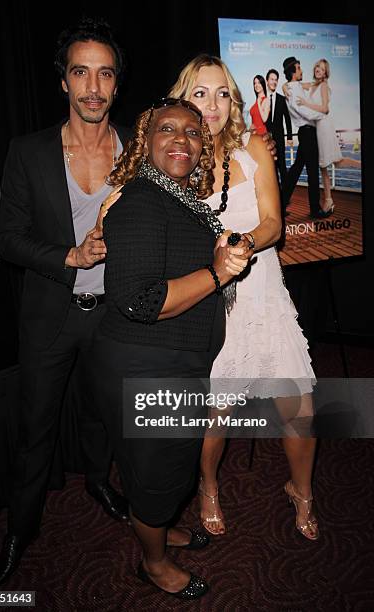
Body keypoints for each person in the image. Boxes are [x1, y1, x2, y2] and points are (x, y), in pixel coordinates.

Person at [0, 17, 130, 588]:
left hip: (115, 315)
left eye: (105, 74)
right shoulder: (28, 152)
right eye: (80, 72)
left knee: (101, 414)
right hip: (51, 315)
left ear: (116, 85)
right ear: (63, 82)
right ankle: (21, 529)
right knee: (35, 431)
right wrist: (68, 257)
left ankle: (98, 480)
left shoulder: (137, 153)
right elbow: (8, 239)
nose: (93, 87)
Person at [89, 98, 248, 600]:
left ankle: (159, 525)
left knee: (171, 467)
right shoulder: (139, 200)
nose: (181, 139)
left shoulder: (183, 200)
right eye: (167, 129)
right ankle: (154, 562)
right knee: (158, 474)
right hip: (147, 366)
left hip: (176, 362)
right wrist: (219, 272)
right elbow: (140, 299)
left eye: (192, 132)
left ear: (203, 147)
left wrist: (218, 256)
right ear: (146, 141)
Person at [169, 54, 319, 541]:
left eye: (221, 94)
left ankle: (302, 491)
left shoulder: (254, 147)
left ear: (233, 102)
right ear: (183, 98)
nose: (211, 105)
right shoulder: (173, 158)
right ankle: (208, 485)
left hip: (265, 293)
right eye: (200, 93)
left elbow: (274, 222)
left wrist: (245, 244)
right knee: (218, 414)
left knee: (300, 408)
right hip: (213, 305)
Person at [292, 58, 361, 213]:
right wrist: (286, 85)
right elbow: (298, 85)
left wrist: (305, 103)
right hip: (318, 127)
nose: (318, 69)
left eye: (322, 69)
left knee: (334, 161)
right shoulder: (314, 85)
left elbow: (325, 109)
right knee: (324, 165)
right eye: (317, 66)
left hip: (324, 127)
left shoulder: (323, 85)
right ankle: (328, 200)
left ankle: (361, 166)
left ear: (325, 73)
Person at [280, 56, 331, 220]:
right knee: (312, 172)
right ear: (294, 72)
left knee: (295, 170)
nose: (302, 71)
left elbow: (311, 87)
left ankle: (280, 204)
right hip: (308, 132)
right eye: (299, 68)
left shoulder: (293, 87)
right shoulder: (293, 90)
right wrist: (323, 113)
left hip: (307, 132)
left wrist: (284, 84)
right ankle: (315, 210)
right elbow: (304, 111)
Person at [265, 68, 293, 187]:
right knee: (269, 166)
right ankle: (274, 192)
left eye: (276, 80)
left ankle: (286, 193)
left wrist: (290, 137)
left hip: (279, 137)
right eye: (272, 79)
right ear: (267, 81)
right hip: (265, 138)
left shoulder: (282, 99)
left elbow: (287, 119)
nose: (274, 82)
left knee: (282, 165)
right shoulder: (262, 99)